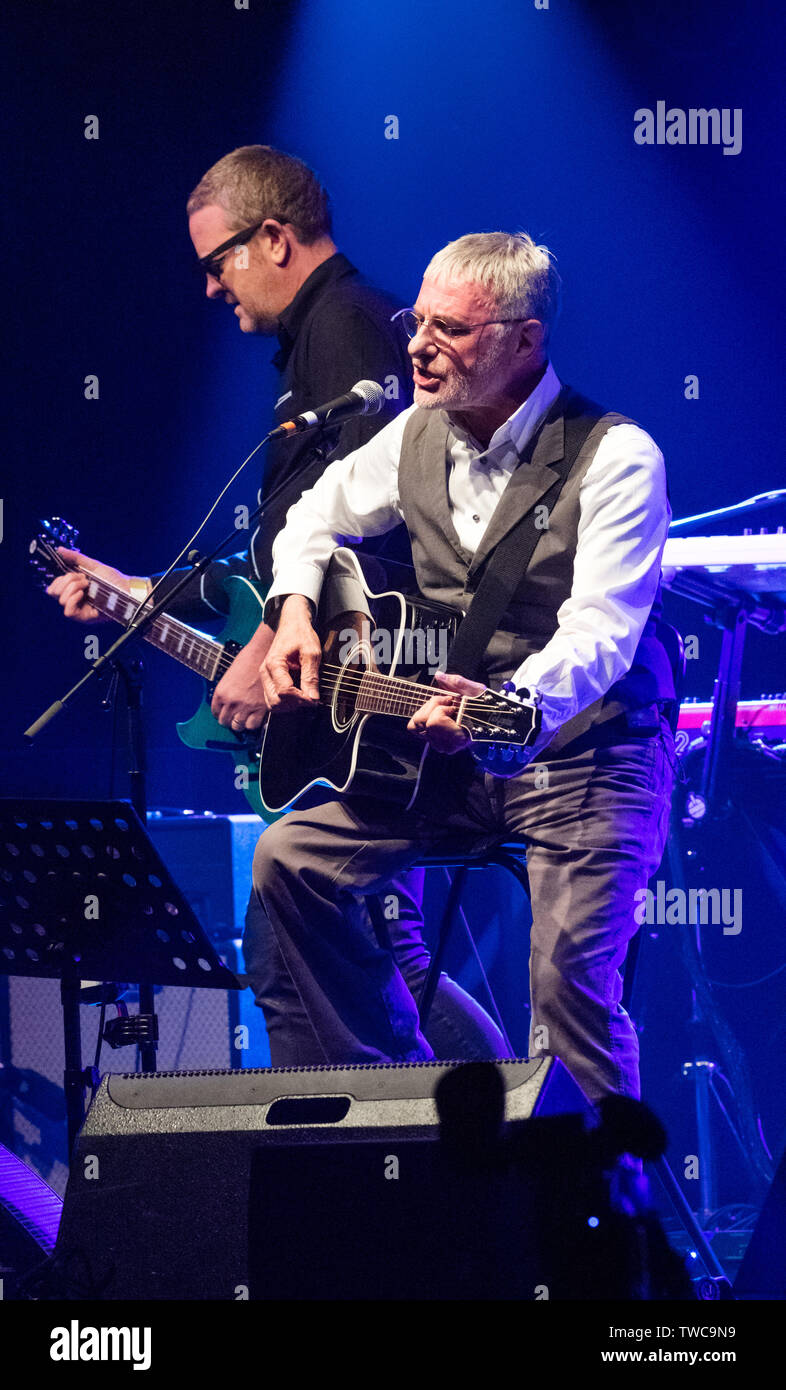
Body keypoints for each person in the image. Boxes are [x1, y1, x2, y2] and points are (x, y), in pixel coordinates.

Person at [46, 146, 507, 1066]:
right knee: (382, 949)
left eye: (218, 262)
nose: (212, 287)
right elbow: (274, 553)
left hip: (384, 693)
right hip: (366, 690)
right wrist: (137, 594)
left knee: (303, 940)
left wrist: (272, 640)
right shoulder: (321, 338)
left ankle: (370, 1154)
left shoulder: (348, 328)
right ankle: (488, 1139)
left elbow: (369, 533)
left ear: (273, 238)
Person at [254, 230, 677, 1102]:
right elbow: (310, 520)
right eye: (417, 321)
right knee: (290, 860)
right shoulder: (411, 433)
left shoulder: (618, 456)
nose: (416, 345)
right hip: (452, 763)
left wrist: (510, 704)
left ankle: (600, 1214)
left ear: (526, 341)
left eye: (450, 329)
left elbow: (602, 629)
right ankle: (396, 1105)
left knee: (568, 999)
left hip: (590, 759)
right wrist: (295, 606)